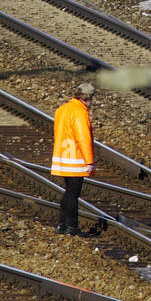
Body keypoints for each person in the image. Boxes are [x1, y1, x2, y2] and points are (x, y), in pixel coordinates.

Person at [52, 82, 95, 235]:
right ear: (89, 98)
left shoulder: (61, 110)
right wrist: (89, 160)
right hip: (76, 158)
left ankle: (61, 225)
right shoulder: (80, 112)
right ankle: (72, 227)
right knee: (73, 194)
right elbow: (83, 138)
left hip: (62, 155)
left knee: (68, 191)